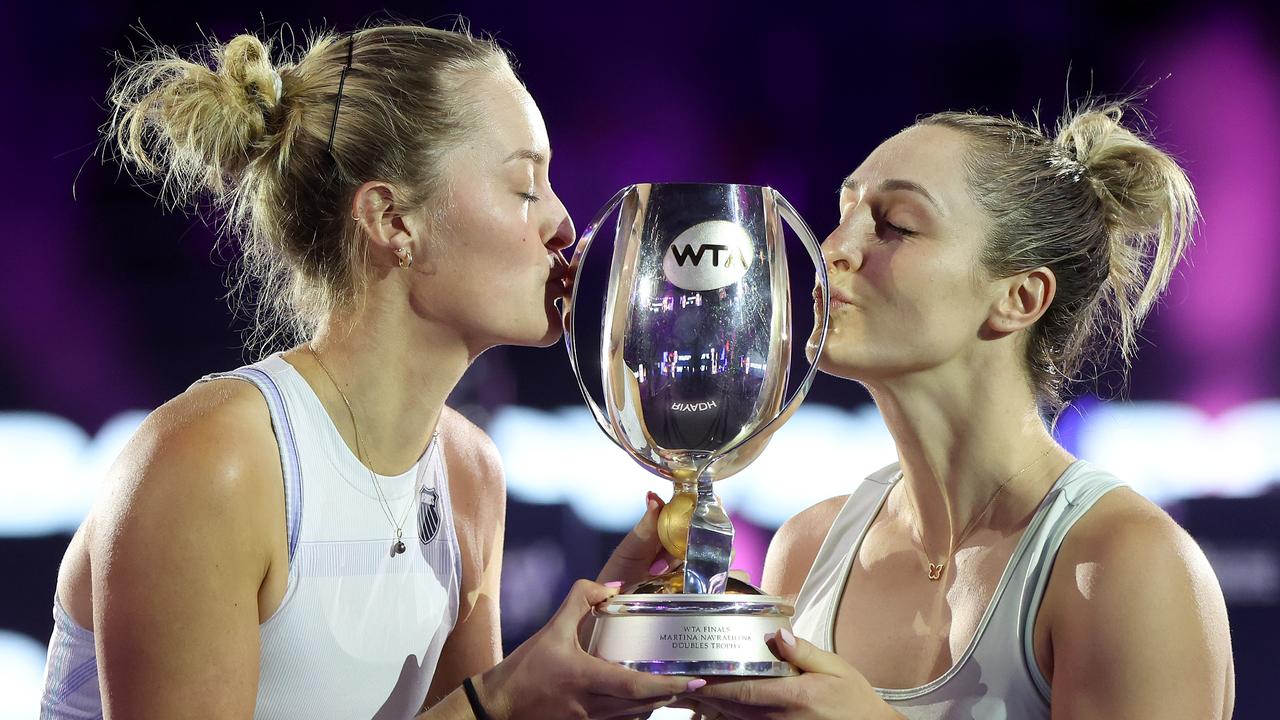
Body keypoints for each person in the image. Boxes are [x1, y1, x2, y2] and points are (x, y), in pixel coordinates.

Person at [40, 23, 695, 720]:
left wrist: (594, 665)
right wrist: (500, 700)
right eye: (526, 185)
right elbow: (477, 710)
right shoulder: (215, 465)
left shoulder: (469, 476)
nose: (565, 223)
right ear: (392, 220)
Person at [685, 105, 1235, 719]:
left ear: (1019, 298)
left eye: (895, 225)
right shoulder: (806, 548)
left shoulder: (1124, 564)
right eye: (841, 217)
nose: (834, 248)